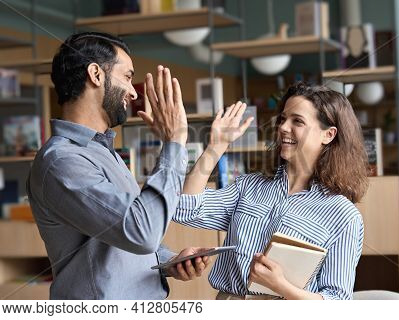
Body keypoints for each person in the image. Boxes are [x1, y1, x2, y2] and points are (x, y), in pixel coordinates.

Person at [27, 32, 210, 300]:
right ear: (96, 74)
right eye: (127, 77)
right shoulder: (62, 162)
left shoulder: (103, 151)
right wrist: (175, 141)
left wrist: (168, 261)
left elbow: (124, 230)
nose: (133, 91)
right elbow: (141, 232)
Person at [173, 82, 369, 300]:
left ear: (328, 135)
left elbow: (337, 302)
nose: (283, 127)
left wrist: (281, 286)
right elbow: (184, 209)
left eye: (298, 121)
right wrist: (216, 147)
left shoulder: (343, 216)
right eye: (283, 119)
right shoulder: (249, 187)